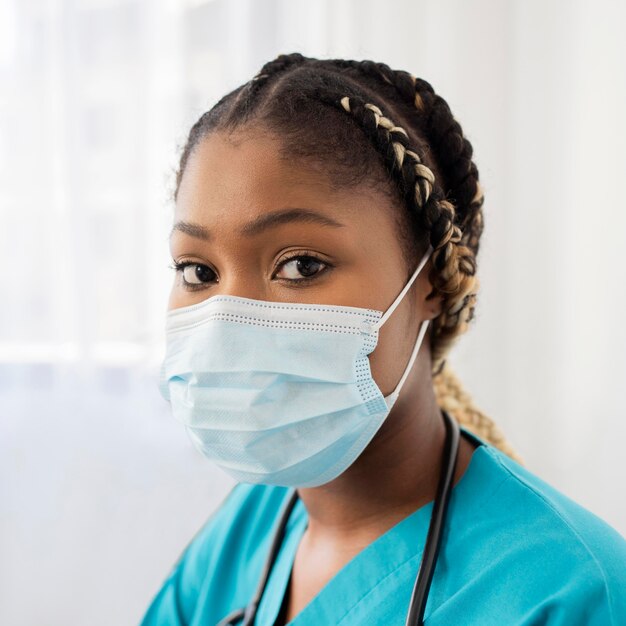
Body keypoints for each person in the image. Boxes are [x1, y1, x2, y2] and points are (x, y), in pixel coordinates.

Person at [139, 53, 626, 625]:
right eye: (198, 272)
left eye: (300, 265)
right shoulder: (252, 526)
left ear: (433, 282)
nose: (230, 319)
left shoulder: (569, 592)